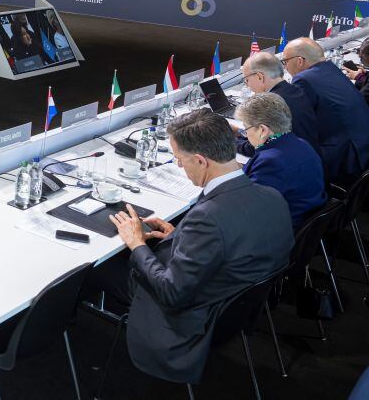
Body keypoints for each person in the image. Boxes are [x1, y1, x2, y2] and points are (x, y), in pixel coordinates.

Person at [99, 109, 292, 384]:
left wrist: (137, 243)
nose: (179, 166)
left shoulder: (209, 217)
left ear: (201, 160)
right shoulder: (271, 196)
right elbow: (233, 241)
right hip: (233, 307)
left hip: (191, 318)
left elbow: (171, 292)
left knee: (98, 267)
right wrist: (179, 237)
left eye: (179, 160)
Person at [283, 37, 369, 185]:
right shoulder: (330, 68)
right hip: (362, 149)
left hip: (345, 161)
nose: (285, 67)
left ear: (299, 61)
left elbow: (298, 124)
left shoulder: (303, 79)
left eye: (285, 61)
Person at [236, 92, 327, 230]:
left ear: (262, 130)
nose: (246, 135)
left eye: (246, 129)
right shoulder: (301, 143)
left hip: (282, 233)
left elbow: (245, 207)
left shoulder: (270, 162)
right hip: (307, 221)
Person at [237, 52, 319, 157]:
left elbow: (258, 147)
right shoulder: (296, 90)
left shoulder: (271, 105)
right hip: (309, 157)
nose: (247, 86)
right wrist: (242, 132)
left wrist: (231, 142)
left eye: (246, 80)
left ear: (259, 77)